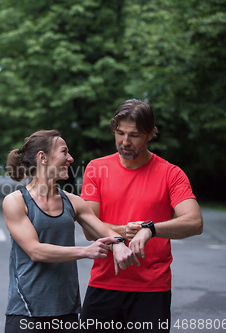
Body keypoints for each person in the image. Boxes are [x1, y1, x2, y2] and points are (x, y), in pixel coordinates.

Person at [79, 99, 203, 332]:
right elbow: (89, 228)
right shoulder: (96, 169)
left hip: (152, 289)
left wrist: (150, 229)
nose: (125, 142)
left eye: (134, 135)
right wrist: (124, 232)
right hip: (104, 284)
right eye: (120, 133)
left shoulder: (171, 173)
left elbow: (195, 222)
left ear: (150, 134)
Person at [3, 130, 136, 333]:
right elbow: (35, 251)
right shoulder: (16, 202)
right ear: (43, 158)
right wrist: (85, 251)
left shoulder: (73, 202)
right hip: (26, 311)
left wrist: (118, 243)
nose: (70, 159)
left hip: (66, 311)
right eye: (64, 152)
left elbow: (103, 229)